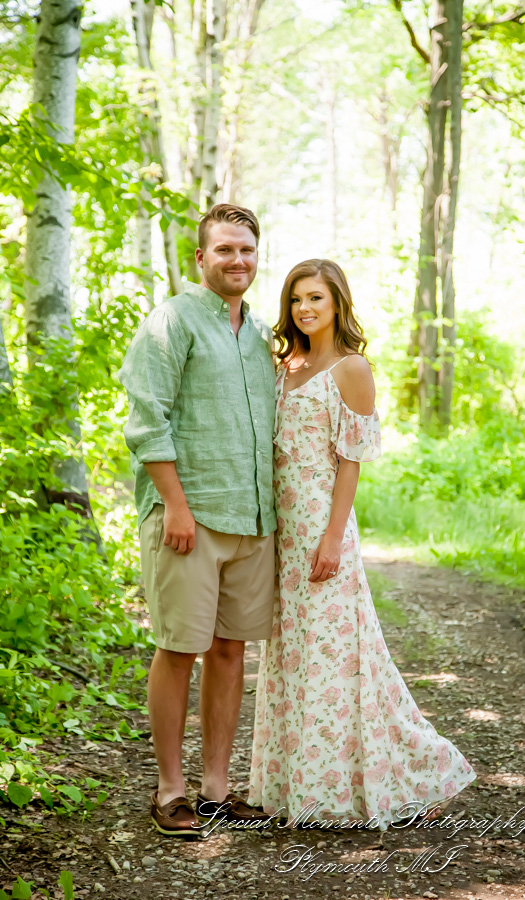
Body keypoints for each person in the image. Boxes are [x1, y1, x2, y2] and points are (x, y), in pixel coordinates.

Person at [248, 259, 476, 828]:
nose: (304, 309)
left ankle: (357, 785)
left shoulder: (351, 369)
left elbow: (350, 463)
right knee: (293, 657)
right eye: (296, 299)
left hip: (324, 531)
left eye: (315, 299)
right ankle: (292, 784)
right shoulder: (285, 364)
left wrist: (331, 538)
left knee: (340, 659)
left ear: (337, 304)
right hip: (283, 532)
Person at [119, 204, 277, 837]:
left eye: (246, 250)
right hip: (190, 516)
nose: (237, 260)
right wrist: (175, 505)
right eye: (224, 250)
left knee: (231, 650)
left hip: (251, 518)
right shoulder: (173, 321)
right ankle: (170, 789)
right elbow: (145, 418)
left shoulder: (265, 334)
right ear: (201, 258)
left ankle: (215, 786)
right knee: (178, 649)